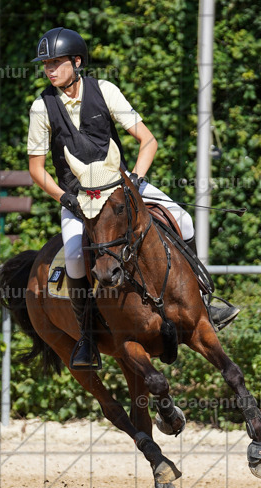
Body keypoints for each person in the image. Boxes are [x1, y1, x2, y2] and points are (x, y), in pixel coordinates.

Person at [26, 27, 239, 371]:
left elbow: (148, 140)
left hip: (123, 188)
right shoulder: (41, 107)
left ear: (76, 62)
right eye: (45, 65)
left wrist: (136, 179)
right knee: (78, 258)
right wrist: (65, 198)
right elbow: (36, 170)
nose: (49, 70)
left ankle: (204, 302)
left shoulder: (105, 90)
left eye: (56, 63)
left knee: (182, 218)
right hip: (80, 199)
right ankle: (86, 337)